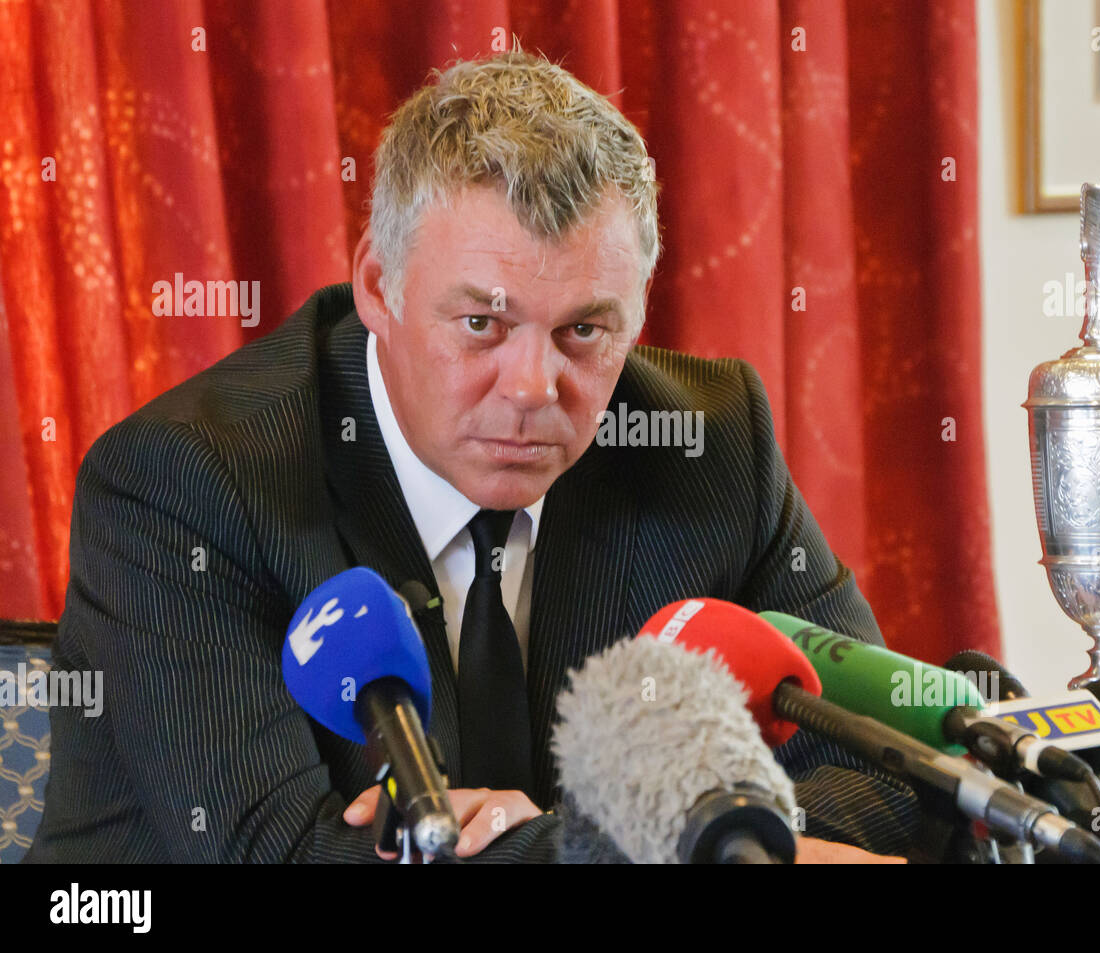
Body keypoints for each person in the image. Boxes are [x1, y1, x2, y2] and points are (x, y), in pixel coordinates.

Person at [26, 51, 916, 864]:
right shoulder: (185, 482)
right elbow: (285, 860)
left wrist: (569, 843)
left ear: (638, 314)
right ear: (380, 286)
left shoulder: (710, 446)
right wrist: (688, 840)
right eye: (482, 324)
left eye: (584, 331)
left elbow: (900, 778)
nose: (534, 386)